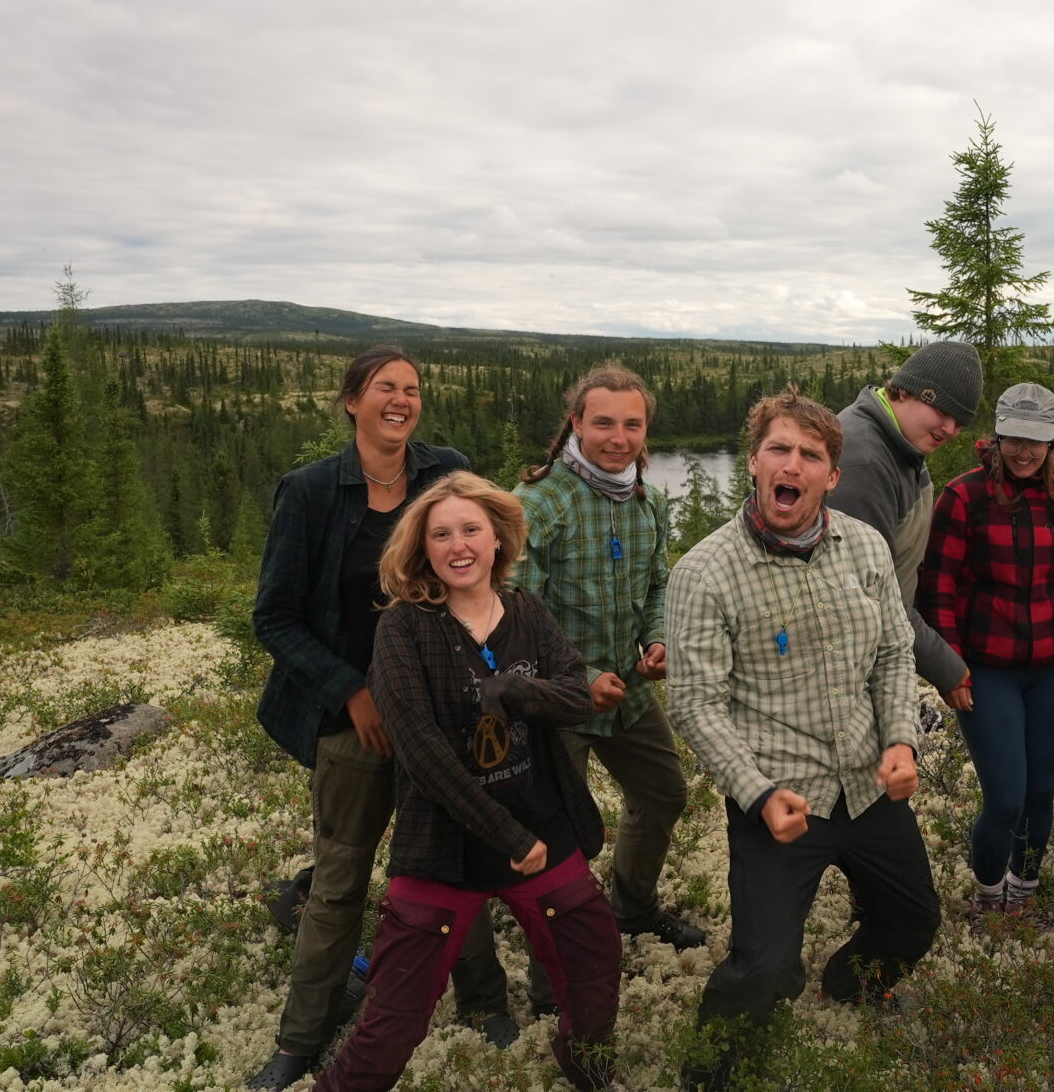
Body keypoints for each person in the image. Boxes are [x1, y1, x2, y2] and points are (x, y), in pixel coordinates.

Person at [248, 347, 509, 1090]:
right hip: (355, 724)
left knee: (462, 862)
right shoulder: (308, 493)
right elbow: (275, 616)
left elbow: (488, 561)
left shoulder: (447, 474)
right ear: (352, 401)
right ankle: (301, 1039)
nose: (401, 400)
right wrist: (351, 692)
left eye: (412, 390)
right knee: (339, 881)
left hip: (441, 711)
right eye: (385, 388)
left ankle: (484, 1003)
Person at [667, 389, 941, 1091]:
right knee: (762, 968)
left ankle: (850, 985)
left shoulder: (866, 547)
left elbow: (890, 655)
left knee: (913, 923)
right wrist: (756, 794)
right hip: (779, 797)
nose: (793, 465)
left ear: (831, 475)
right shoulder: (705, 571)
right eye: (779, 449)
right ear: (755, 462)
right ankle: (711, 1073)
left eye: (810, 455)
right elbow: (697, 704)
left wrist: (902, 742)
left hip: (866, 779)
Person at [311, 472, 619, 1092]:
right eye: (442, 533)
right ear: (422, 548)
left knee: (595, 965)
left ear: (498, 538)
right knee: (395, 1018)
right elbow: (420, 753)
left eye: (471, 530)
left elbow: (577, 696)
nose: (459, 546)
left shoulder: (528, 611)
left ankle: (585, 1062)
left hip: (543, 831)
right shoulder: (403, 628)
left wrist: (514, 689)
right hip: (445, 850)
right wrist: (504, 833)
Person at [511, 365, 704, 1019]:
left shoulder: (648, 499)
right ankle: (551, 978)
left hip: (628, 694)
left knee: (663, 794)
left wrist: (658, 643)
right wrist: (576, 677)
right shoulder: (538, 503)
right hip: (556, 702)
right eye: (603, 423)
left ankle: (632, 907)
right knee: (555, 837)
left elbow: (657, 585)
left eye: (632, 423)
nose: (618, 437)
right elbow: (514, 614)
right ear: (575, 424)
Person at [918, 382, 1054, 915]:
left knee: (1039, 795)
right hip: (986, 670)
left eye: (1037, 442)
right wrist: (950, 670)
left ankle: (1020, 895)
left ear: (1051, 444)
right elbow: (939, 590)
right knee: (1005, 796)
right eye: (1015, 440)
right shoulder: (963, 497)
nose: (1025, 452)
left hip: (1049, 669)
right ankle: (987, 895)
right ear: (997, 437)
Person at [828, 339, 983, 709]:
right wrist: (944, 667)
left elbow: (903, 563)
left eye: (960, 421)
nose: (950, 429)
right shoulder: (865, 460)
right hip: (842, 668)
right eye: (942, 411)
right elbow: (869, 592)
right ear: (904, 391)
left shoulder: (901, 444)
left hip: (869, 652)